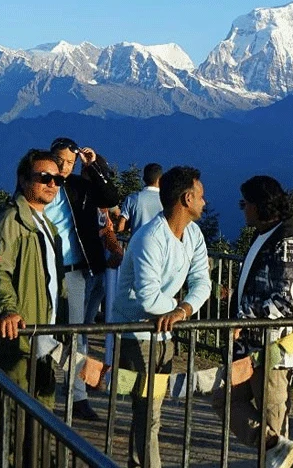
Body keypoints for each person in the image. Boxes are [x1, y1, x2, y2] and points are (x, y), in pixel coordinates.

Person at [110, 165, 212, 468]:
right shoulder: (149, 239)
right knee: (147, 413)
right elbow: (148, 296)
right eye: (201, 196)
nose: (205, 202)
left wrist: (181, 310)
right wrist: (179, 308)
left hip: (164, 331)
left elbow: (202, 282)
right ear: (186, 199)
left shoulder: (192, 233)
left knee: (152, 413)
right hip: (136, 333)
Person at [214, 175, 293, 468]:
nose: (242, 208)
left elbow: (287, 300)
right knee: (224, 399)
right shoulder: (269, 236)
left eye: (245, 203)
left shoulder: (286, 242)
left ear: (259, 206)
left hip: (274, 349)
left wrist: (243, 318)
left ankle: (277, 449)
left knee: (273, 415)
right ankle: (274, 445)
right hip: (253, 346)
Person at [0, 149, 66, 465]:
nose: (52, 184)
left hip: (44, 337)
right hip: (19, 337)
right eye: (44, 177)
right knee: (12, 416)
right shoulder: (11, 219)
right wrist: (7, 309)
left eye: (57, 179)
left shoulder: (47, 226)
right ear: (23, 179)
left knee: (42, 412)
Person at [44, 136, 122, 421]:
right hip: (43, 269)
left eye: (70, 162)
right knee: (41, 330)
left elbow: (111, 199)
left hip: (75, 269)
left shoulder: (80, 187)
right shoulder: (38, 184)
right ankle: (41, 386)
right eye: (60, 160)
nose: (64, 167)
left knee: (75, 333)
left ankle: (78, 396)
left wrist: (95, 167)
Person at [121, 163, 164, 234]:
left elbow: (120, 226)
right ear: (160, 180)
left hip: (137, 243)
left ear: (143, 178)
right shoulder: (167, 200)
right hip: (160, 243)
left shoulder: (132, 198)